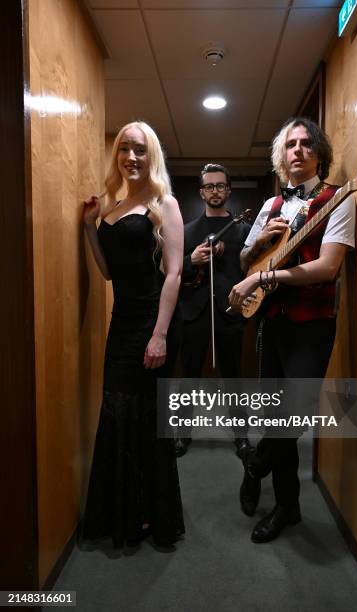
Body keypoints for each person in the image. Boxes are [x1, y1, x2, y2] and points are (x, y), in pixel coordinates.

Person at [229, 117, 355, 542]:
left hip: (312, 324)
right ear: (281, 157)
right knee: (275, 413)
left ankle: (255, 462)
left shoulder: (339, 199)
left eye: (305, 144)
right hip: (272, 323)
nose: (297, 151)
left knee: (295, 413)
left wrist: (265, 279)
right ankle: (288, 506)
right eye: (290, 145)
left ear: (319, 152)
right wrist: (261, 243)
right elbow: (246, 262)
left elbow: (327, 267)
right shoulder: (270, 206)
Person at [82, 121, 184, 548]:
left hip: (149, 325)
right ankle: (122, 513)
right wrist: (89, 225)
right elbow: (107, 273)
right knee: (117, 416)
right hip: (120, 325)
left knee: (144, 421)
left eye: (140, 150)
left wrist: (159, 335)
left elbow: (175, 272)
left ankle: (150, 516)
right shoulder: (113, 207)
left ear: (152, 154)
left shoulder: (165, 204)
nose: (131, 157)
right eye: (124, 149)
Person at [175, 163, 251, 458]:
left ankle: (241, 438)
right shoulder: (186, 231)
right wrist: (190, 259)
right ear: (201, 192)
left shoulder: (244, 230)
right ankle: (183, 436)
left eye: (220, 186)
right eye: (209, 186)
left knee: (234, 378)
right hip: (193, 312)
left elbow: (250, 271)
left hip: (229, 311)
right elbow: (170, 271)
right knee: (188, 377)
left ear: (228, 191)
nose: (215, 191)